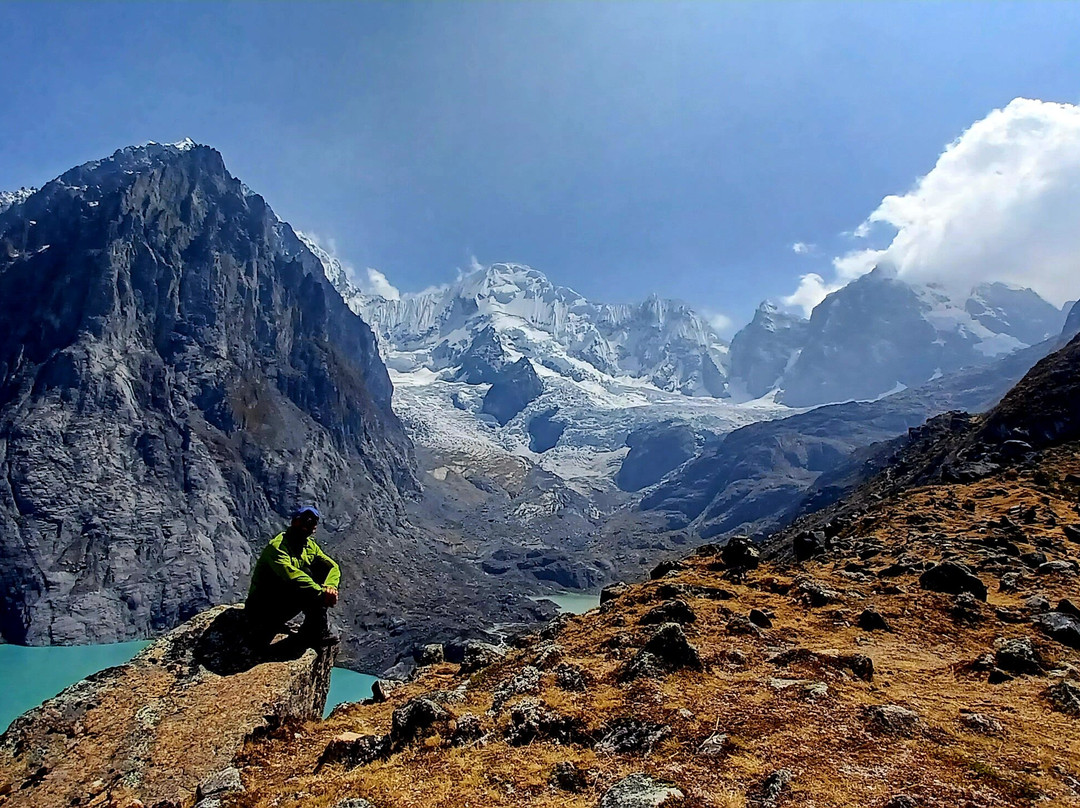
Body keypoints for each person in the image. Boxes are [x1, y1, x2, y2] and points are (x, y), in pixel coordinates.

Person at [245, 506, 341, 648]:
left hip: (282, 600)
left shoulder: (309, 546)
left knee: (321, 569)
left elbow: (333, 567)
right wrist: (322, 593)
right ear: (294, 522)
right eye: (303, 520)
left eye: (311, 522)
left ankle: (312, 629)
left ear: (314, 528)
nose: (306, 525)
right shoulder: (278, 547)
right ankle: (315, 632)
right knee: (306, 582)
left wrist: (331, 586)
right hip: (262, 606)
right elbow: (294, 578)